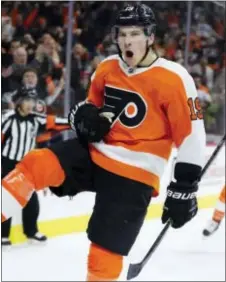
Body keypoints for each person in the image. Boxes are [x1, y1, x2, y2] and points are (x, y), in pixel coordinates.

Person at [2, 4, 206, 281]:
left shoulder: (175, 78)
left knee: (104, 251)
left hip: (135, 173)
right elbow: (87, 109)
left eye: (134, 34)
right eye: (122, 34)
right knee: (36, 163)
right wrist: (84, 118)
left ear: (149, 36)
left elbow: (193, 137)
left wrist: (183, 189)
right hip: (95, 153)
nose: (127, 41)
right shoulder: (108, 67)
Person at [1, 85, 69, 246]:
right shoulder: (7, 118)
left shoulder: (35, 118)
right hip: (8, 163)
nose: (30, 104)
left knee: (31, 199)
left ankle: (31, 231)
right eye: (26, 100)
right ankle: (3, 234)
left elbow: (56, 123)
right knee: (6, 199)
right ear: (19, 102)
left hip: (26, 165)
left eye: (32, 100)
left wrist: (76, 121)